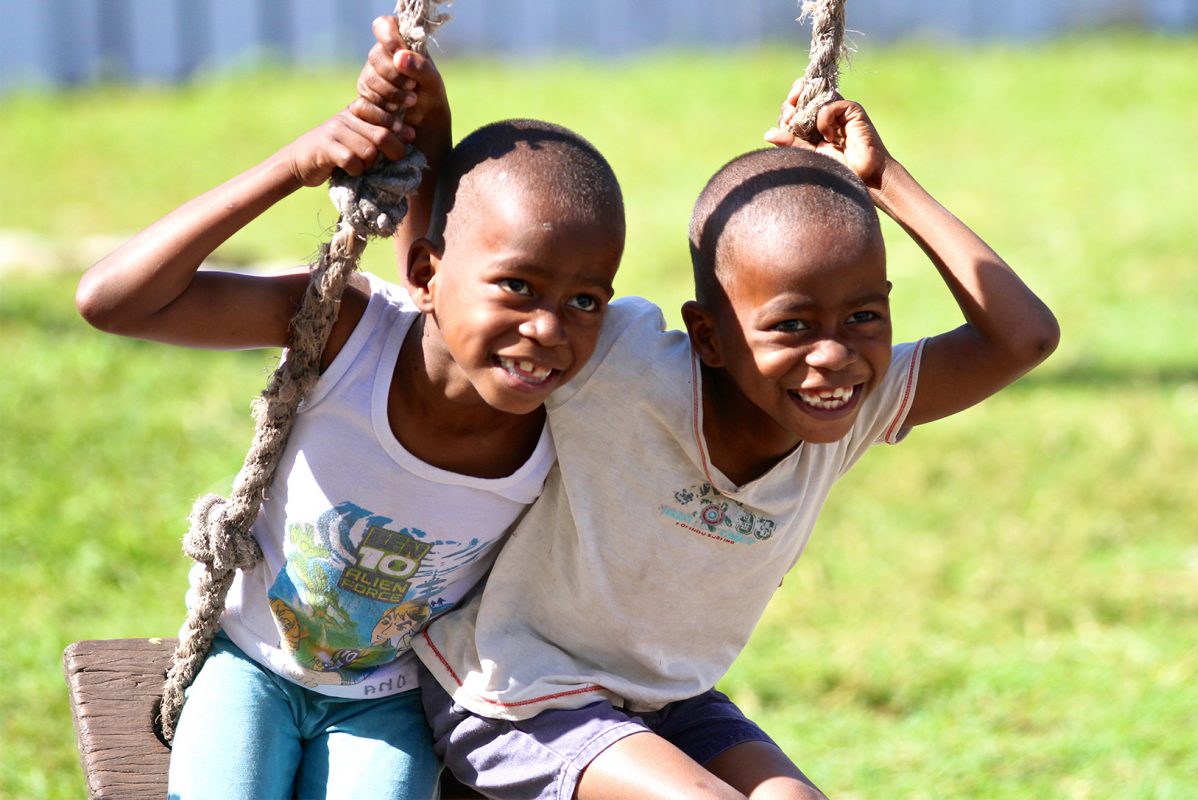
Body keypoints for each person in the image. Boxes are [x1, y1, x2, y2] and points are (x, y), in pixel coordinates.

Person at [358, 25, 1060, 800]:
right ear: (708, 337)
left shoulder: (854, 408)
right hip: (517, 698)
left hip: (665, 702)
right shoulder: (625, 367)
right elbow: (452, 312)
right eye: (791, 326)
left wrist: (885, 180)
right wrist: (429, 123)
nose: (833, 356)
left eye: (864, 317)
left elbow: (1024, 336)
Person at [74, 49, 626, 799]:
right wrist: (293, 165)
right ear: (426, 275)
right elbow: (112, 301)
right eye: (519, 286)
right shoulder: (348, 331)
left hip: (388, 701)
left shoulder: (571, 415)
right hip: (250, 666)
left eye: (586, 301)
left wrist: (432, 121)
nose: (547, 330)